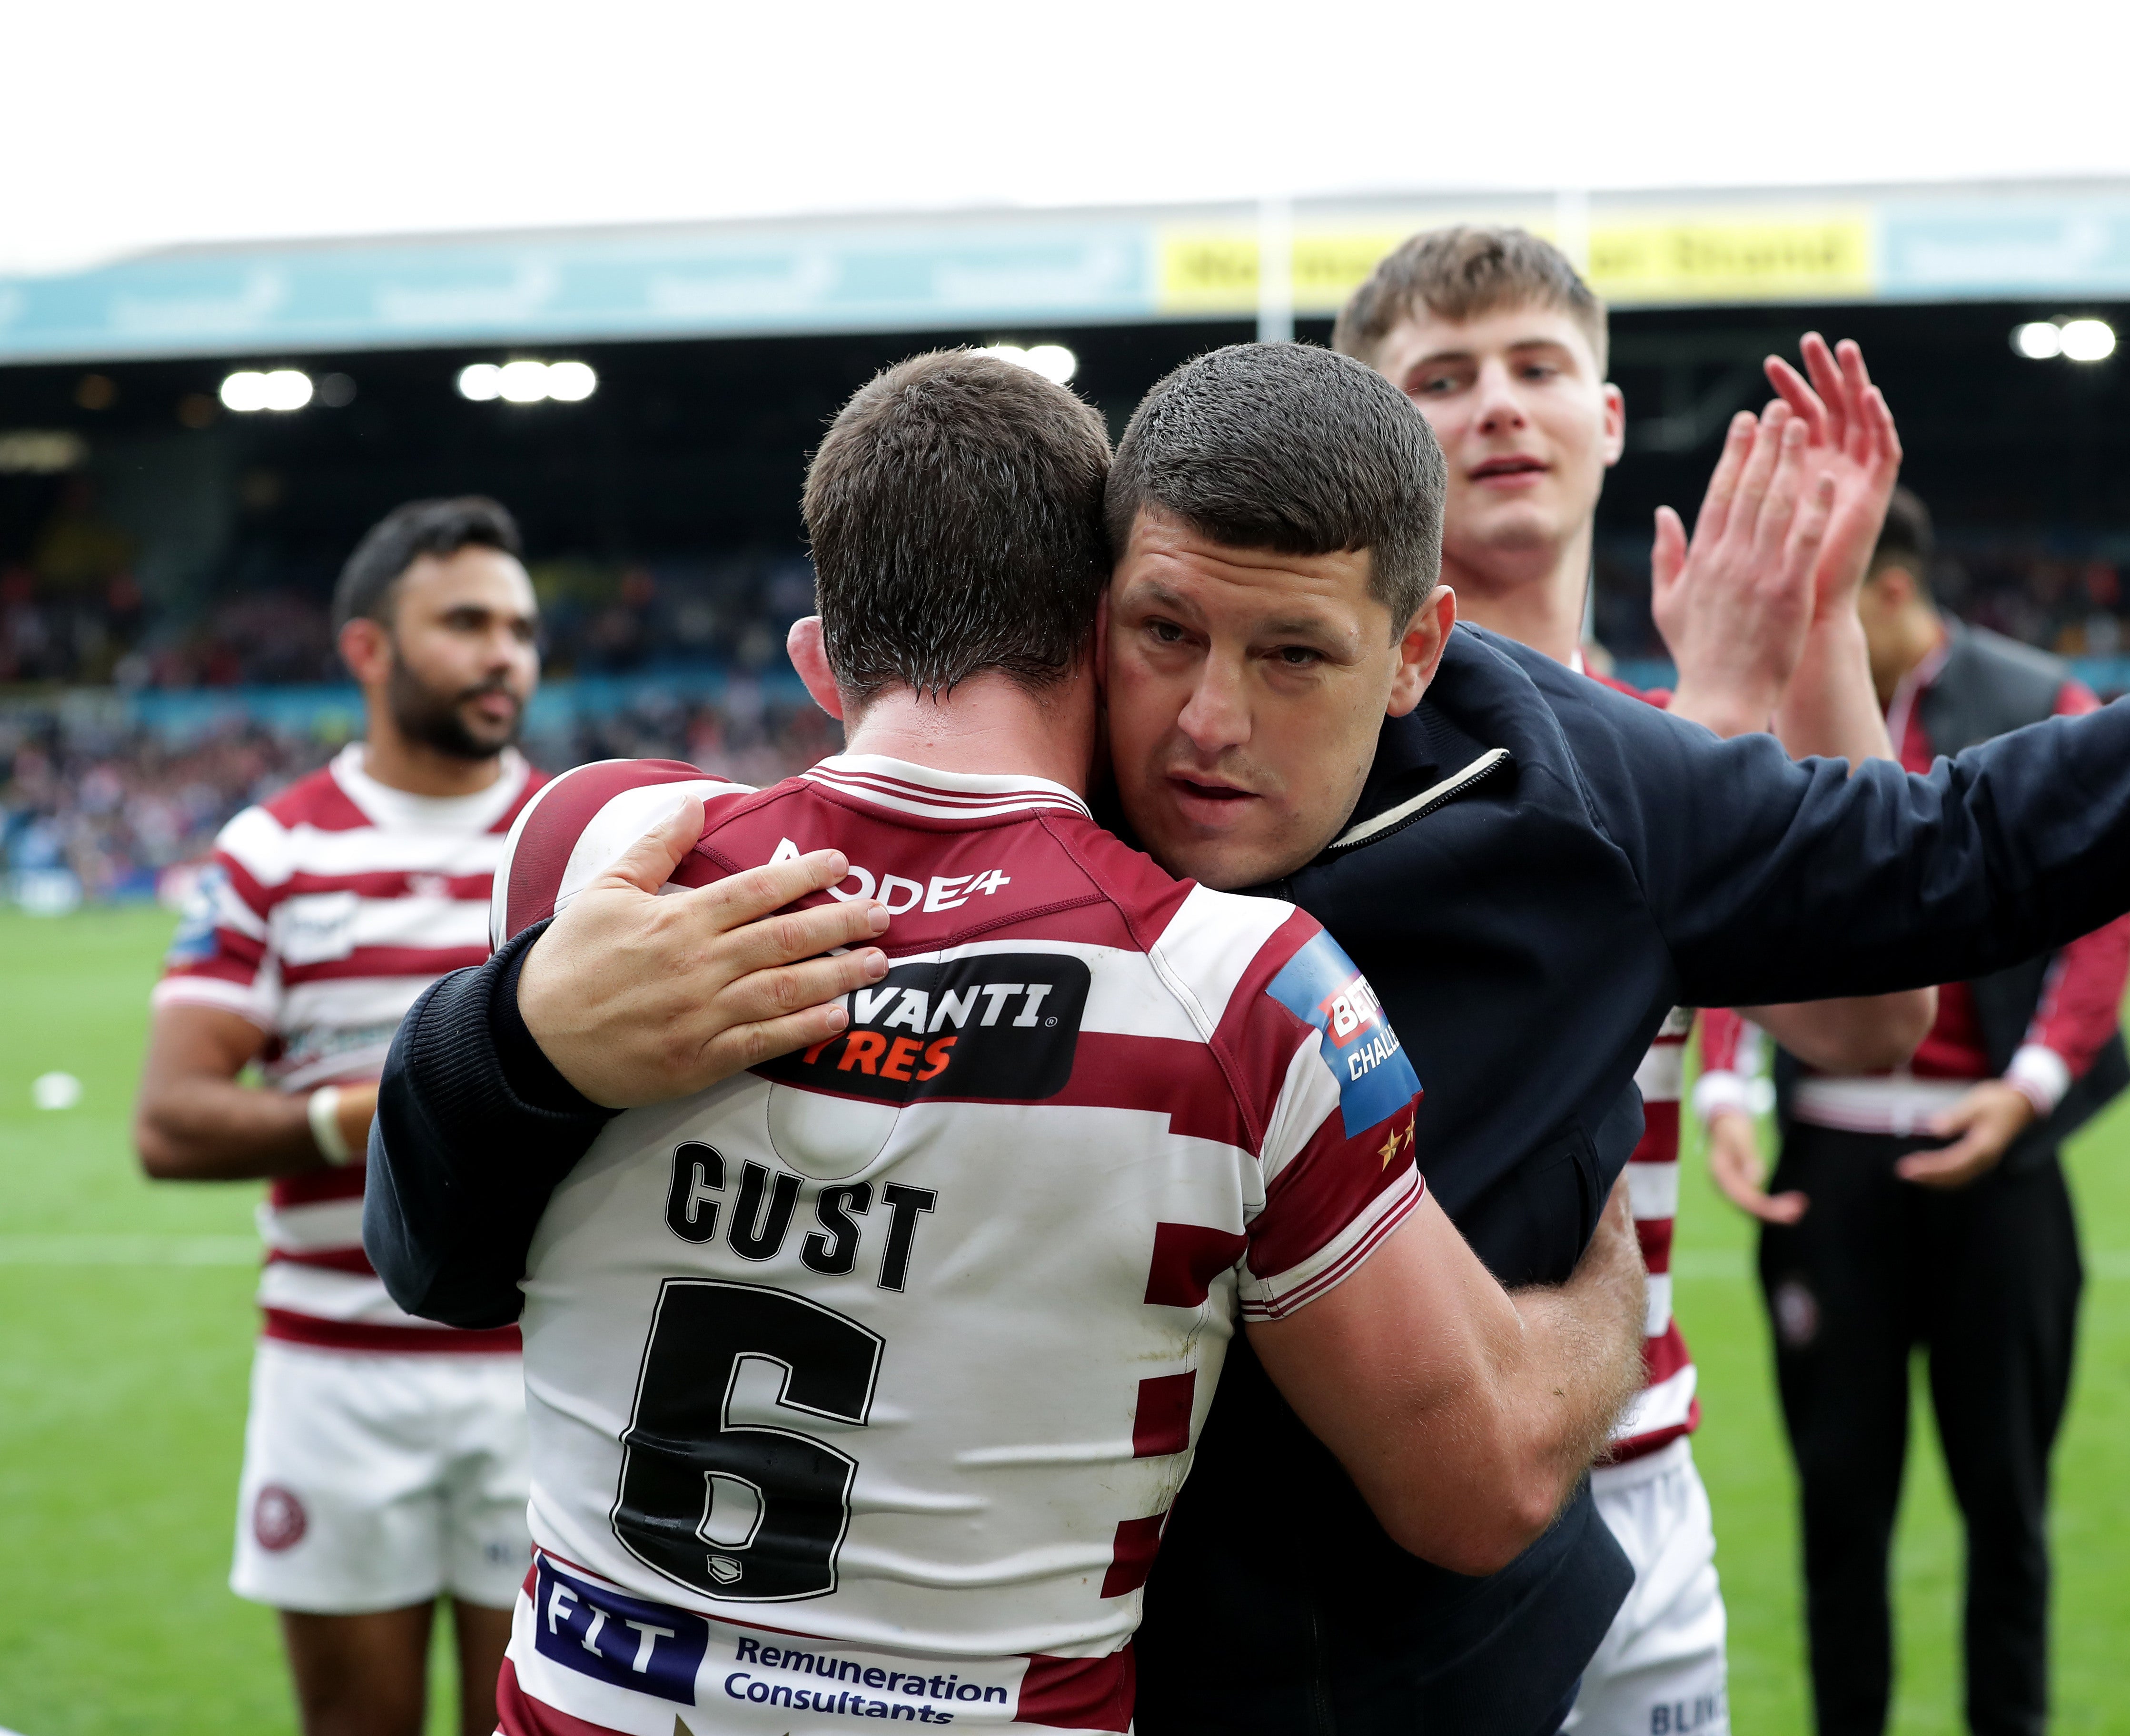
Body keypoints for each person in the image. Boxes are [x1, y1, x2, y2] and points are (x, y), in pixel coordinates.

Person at [372, 340, 2130, 1736]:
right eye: (1159, 632)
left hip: (1405, 1666)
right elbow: (481, 1231)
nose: (1202, 720)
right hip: (1041, 1663)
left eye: (1294, 658)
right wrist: (520, 1037)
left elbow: (1989, 841)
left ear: (1420, 645)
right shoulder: (1004, 813)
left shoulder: (1585, 799)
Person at [462, 351, 1649, 1736]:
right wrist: (1611, 1291)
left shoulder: (591, 850)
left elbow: (437, 1216)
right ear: (1107, 635)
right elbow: (1481, 1490)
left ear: (820, 652)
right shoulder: (1239, 989)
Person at [1331, 225, 1933, 1736]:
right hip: (1394, 1480)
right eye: (1442, 380)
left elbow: (1867, 1024)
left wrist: (1817, 624)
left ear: (1608, 420)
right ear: (1374, 440)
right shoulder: (1320, 768)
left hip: (1644, 1461)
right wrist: (1722, 711)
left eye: (1540, 368)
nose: (1498, 409)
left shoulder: (1676, 730)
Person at [1702, 488, 2130, 1736]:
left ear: (1889, 590)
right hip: (1828, 1167)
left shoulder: (2038, 700)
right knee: (1838, 1514)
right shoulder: (1786, 715)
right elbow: (1738, 899)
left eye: (1824, 603)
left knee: (2007, 1509)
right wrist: (1727, 1081)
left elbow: (2099, 914)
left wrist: (2032, 1088)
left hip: (1998, 1161)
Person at [132, 497, 545, 1736]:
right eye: (465, 623)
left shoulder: (578, 844)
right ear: (368, 650)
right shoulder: (271, 853)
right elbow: (171, 1123)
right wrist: (366, 1117)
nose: (503, 655)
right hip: (334, 1375)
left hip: (539, 1372)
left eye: (519, 628)